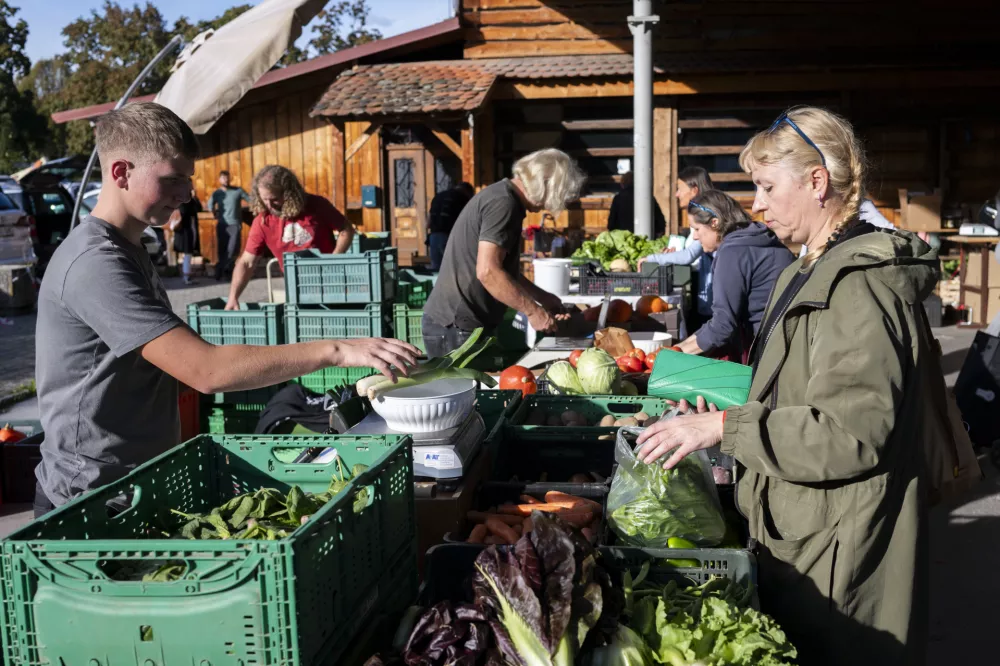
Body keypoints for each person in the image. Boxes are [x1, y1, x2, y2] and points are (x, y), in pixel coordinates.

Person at [634, 107, 937, 665]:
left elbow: (851, 432)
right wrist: (719, 403)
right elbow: (795, 383)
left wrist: (725, 426)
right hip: (804, 526)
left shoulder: (859, 286)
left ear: (817, 181)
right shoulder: (806, 268)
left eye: (768, 187)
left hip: (837, 549)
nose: (756, 204)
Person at [33, 103, 419, 517]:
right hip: (90, 503)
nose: (186, 194)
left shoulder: (128, 248)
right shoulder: (96, 263)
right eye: (172, 179)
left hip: (135, 489)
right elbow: (207, 371)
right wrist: (337, 350)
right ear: (121, 173)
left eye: (188, 179)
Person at [422, 149, 586, 357]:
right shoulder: (504, 203)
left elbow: (503, 272)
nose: (550, 204)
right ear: (545, 184)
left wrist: (542, 298)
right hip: (454, 326)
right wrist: (533, 311)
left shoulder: (502, 196)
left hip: (459, 323)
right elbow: (488, 272)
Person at [669, 190, 794, 360]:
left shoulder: (732, 252)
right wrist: (678, 348)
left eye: (697, 229)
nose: (695, 237)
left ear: (714, 223)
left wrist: (675, 355)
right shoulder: (760, 239)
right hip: (787, 342)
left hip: (767, 351)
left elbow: (722, 327)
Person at [225, 165, 355, 309]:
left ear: (289, 193)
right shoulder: (262, 222)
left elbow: (346, 230)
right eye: (264, 199)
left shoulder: (317, 205)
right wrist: (233, 297)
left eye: (274, 199)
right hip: (297, 289)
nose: (269, 205)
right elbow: (246, 262)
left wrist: (333, 260)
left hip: (333, 285)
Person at [639, 167, 717, 332]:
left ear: (694, 190)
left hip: (708, 295)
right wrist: (673, 254)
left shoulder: (706, 216)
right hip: (701, 290)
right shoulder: (700, 215)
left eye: (680, 189)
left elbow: (689, 255)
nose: (676, 194)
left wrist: (652, 258)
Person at [209, 170, 250, 281]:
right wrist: (214, 214)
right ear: (219, 179)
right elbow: (210, 205)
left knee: (233, 249)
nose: (225, 180)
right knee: (222, 250)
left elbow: (250, 200)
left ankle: (227, 270)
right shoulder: (217, 193)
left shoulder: (238, 191)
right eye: (223, 178)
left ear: (229, 179)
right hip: (222, 225)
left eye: (227, 178)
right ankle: (221, 271)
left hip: (234, 225)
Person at [427, 181, 474, 271]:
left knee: (437, 270)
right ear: (467, 192)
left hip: (434, 237)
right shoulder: (462, 199)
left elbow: (428, 224)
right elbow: (467, 222)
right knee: (455, 270)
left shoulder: (437, 197)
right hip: (450, 238)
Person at [606, 171, 667, 237]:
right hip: (645, 238)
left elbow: (611, 224)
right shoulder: (647, 197)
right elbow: (660, 221)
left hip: (624, 239)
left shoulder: (618, 198)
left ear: (622, 184)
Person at [170, 188, 202, 284]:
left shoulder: (191, 200)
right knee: (187, 253)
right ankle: (186, 276)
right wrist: (191, 200)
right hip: (184, 231)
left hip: (189, 229)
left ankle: (187, 275)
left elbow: (199, 209)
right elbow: (185, 211)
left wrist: (195, 198)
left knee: (188, 253)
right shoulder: (182, 201)